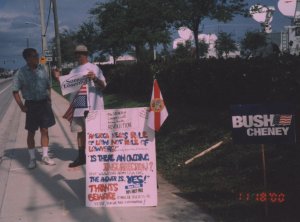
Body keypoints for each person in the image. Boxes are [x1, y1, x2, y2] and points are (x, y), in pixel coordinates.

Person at [53, 44, 106, 168]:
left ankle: (96, 158)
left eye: (80, 54)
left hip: (93, 106)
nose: (78, 56)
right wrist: (57, 78)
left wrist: (95, 79)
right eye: (76, 54)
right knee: (80, 132)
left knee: (94, 132)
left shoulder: (95, 68)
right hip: (78, 106)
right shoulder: (74, 71)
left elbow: (103, 85)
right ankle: (82, 157)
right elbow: (65, 87)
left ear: (86, 54)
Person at [12, 48, 56, 169]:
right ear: (27, 58)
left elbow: (48, 86)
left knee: (45, 130)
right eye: (34, 56)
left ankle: (45, 156)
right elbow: (15, 91)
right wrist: (21, 106)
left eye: (37, 55)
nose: (37, 57)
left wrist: (49, 99)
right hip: (31, 105)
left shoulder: (43, 69)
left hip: (44, 104)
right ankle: (32, 158)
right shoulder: (20, 73)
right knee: (31, 132)